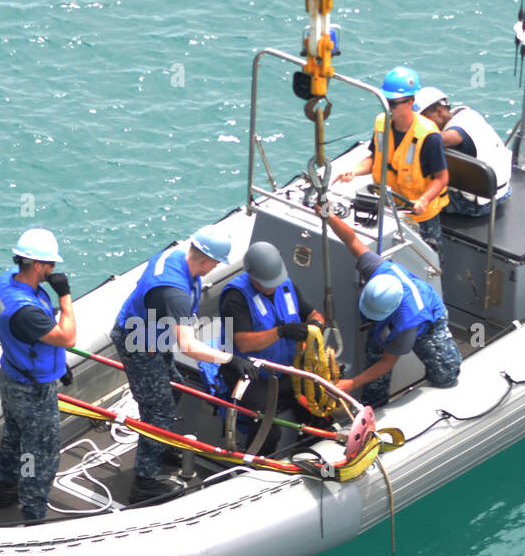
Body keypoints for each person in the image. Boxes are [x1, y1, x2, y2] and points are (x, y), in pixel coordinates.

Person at [111, 225, 256, 503]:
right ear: (206, 261)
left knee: (175, 387)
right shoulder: (173, 291)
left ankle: (160, 444)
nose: (215, 267)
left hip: (153, 335)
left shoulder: (178, 259)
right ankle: (143, 482)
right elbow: (188, 346)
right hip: (139, 342)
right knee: (158, 412)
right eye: (215, 263)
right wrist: (229, 359)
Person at [318, 206, 461, 406]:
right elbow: (351, 240)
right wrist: (329, 216)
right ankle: (374, 403)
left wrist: (351, 383)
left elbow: (387, 362)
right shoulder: (379, 270)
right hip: (389, 315)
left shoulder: (407, 323)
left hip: (428, 320)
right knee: (375, 370)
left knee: (446, 374)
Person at [0, 227, 76, 523]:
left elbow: (32, 338)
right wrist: (64, 296)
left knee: (15, 436)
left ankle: (8, 489)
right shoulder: (26, 310)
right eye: (51, 265)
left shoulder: (6, 283)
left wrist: (57, 366)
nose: (54, 270)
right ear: (38, 265)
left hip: (12, 375)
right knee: (40, 455)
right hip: (33, 391)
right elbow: (67, 338)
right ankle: (33, 516)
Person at [217, 241, 327, 455]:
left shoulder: (286, 286)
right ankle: (251, 464)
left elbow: (314, 314)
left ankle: (310, 452)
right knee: (267, 428)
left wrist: (316, 325)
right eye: (265, 282)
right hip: (250, 373)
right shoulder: (234, 298)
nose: (272, 286)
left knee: (317, 406)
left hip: (285, 369)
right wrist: (281, 332)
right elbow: (243, 342)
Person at [334, 65, 449, 251]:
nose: (387, 107)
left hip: (420, 216)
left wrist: (424, 200)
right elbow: (375, 160)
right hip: (387, 209)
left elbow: (441, 178)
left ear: (410, 103)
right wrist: (353, 171)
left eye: (392, 104)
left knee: (427, 260)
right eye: (385, 102)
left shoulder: (428, 136)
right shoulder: (381, 123)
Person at [412, 86, 511, 217]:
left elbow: (441, 139)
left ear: (439, 111)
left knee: (412, 195)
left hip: (477, 204)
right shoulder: (467, 114)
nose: (420, 125)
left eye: (422, 120)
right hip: (502, 191)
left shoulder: (454, 133)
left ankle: (429, 235)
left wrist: (407, 131)